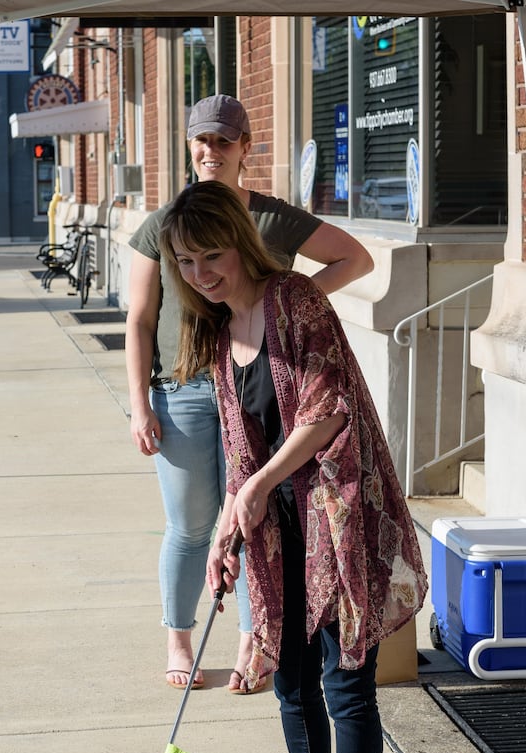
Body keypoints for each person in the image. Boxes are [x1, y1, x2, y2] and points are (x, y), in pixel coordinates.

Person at [161, 180, 426, 753]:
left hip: (338, 519)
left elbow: (328, 411)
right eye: (185, 262)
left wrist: (256, 486)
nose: (199, 274)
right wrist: (227, 530)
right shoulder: (219, 331)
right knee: (291, 679)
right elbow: (242, 452)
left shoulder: (294, 301)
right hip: (282, 525)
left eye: (211, 255)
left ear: (241, 244)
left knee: (346, 685)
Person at [125, 95, 373, 695]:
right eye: (201, 142)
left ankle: (252, 641)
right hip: (183, 390)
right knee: (190, 526)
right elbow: (138, 318)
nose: (211, 152)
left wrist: (288, 305)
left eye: (224, 141)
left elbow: (355, 259)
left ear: (246, 147)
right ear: (190, 147)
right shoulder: (166, 224)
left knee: (253, 518)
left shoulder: (272, 220)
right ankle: (178, 636)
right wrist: (139, 404)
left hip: (259, 389)